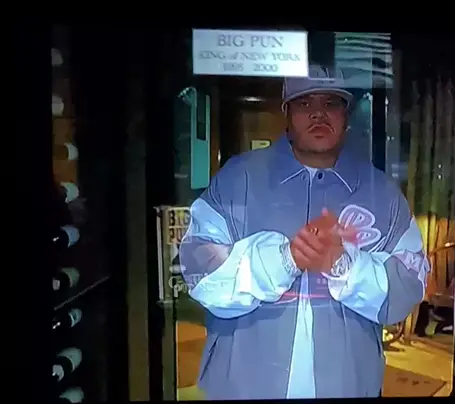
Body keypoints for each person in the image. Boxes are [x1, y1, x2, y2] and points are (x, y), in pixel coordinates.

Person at [179, 65, 429, 400]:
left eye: (330, 103)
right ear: (287, 113)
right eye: (304, 103)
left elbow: (409, 285)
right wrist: (284, 260)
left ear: (346, 114)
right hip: (244, 384)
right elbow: (198, 271)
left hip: (349, 384)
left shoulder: (381, 191)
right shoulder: (239, 178)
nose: (318, 114)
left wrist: (344, 266)